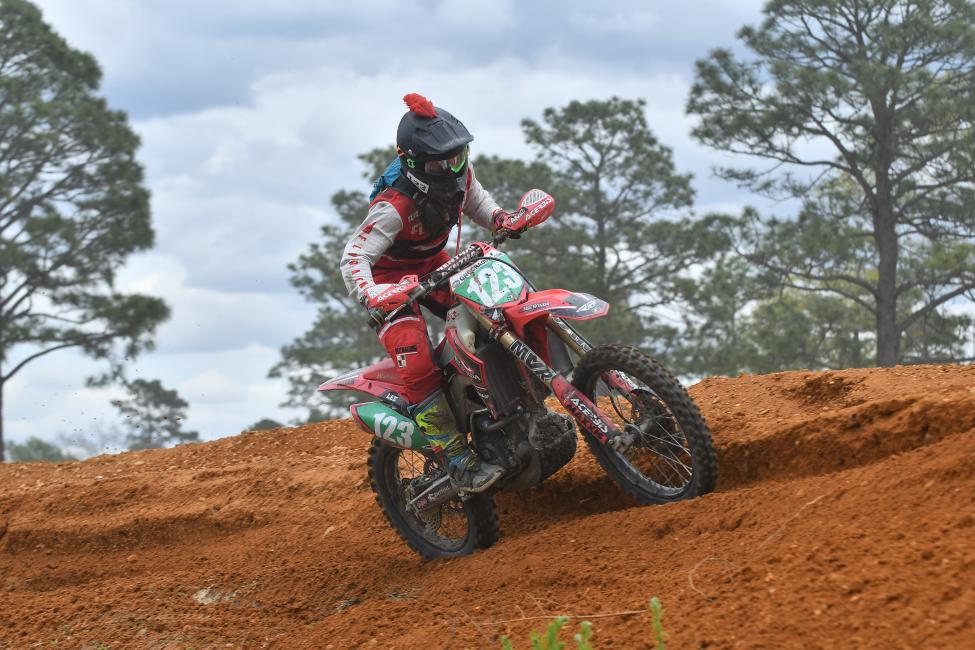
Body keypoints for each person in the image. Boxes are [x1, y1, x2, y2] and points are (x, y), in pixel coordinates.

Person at [340, 93, 515, 493]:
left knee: (492, 307)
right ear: (416, 164)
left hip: (432, 265)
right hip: (390, 284)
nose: (453, 167)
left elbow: (479, 204)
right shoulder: (394, 205)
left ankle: (503, 409)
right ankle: (457, 458)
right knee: (416, 363)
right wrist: (373, 295)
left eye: (458, 156)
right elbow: (353, 257)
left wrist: (502, 218)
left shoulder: (460, 175)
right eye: (442, 162)